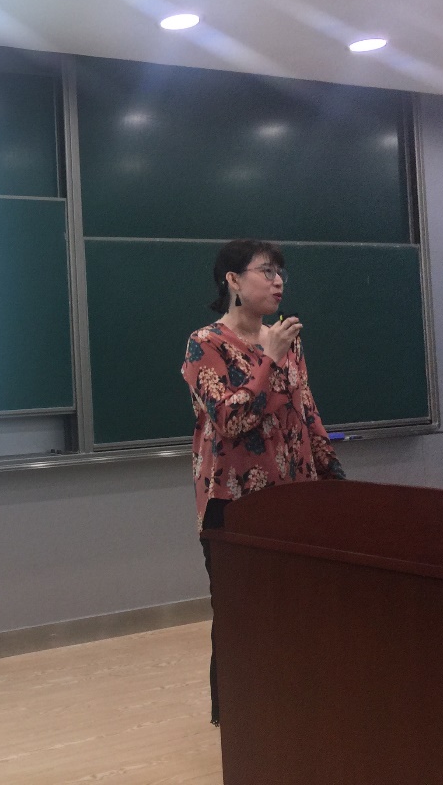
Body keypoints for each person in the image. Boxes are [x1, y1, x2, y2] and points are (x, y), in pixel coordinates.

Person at [180, 239, 345, 726]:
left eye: (281, 274)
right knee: (241, 611)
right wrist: (268, 358)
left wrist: (333, 475)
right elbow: (231, 420)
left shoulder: (287, 339)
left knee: (298, 605)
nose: (277, 282)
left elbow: (307, 410)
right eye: (266, 271)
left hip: (295, 493)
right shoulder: (204, 344)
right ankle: (238, 720)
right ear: (233, 280)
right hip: (235, 500)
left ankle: (294, 704)